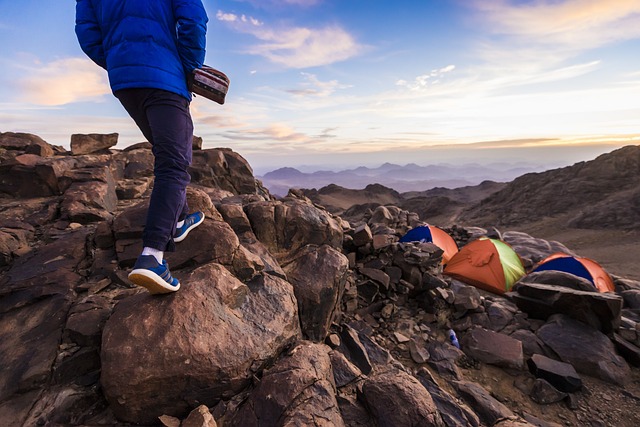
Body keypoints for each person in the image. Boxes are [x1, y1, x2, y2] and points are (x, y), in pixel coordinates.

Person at [75, 0, 208, 294]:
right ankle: (152, 256)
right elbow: (194, 22)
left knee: (166, 150)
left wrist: (120, 60)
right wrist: (190, 68)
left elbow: (87, 34)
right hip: (165, 78)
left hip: (125, 82)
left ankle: (181, 217)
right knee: (173, 163)